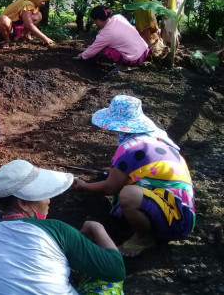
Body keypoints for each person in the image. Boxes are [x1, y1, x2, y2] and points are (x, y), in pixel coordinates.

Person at [0, 160, 125, 294]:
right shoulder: (58, 230)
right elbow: (116, 270)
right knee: (105, 278)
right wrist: (97, 228)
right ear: (23, 203)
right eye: (44, 194)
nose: (49, 200)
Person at [73, 95, 195, 257]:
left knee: (128, 193)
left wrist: (85, 186)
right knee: (130, 187)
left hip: (174, 220)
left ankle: (144, 238)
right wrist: (115, 172)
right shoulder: (158, 139)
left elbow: (111, 187)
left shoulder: (129, 149)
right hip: (183, 211)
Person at [74, 6, 149, 70]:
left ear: (99, 20)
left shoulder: (106, 34)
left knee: (106, 49)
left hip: (134, 59)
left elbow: (94, 48)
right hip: (144, 50)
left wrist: (83, 56)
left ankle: (122, 66)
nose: (94, 23)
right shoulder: (118, 17)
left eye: (94, 20)